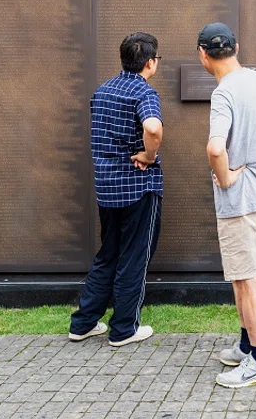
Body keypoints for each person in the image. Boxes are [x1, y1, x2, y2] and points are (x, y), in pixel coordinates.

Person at [198, 22, 256, 388]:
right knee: (242, 276)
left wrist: (224, 178)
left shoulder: (224, 93)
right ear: (236, 48)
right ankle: (247, 345)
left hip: (240, 202)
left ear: (202, 54)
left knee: (248, 281)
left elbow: (215, 147)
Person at [68, 32, 163, 347]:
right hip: (138, 186)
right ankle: (123, 329)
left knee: (108, 254)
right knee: (134, 257)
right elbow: (153, 127)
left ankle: (83, 323)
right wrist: (149, 156)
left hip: (108, 188)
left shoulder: (102, 91)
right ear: (150, 63)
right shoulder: (144, 92)